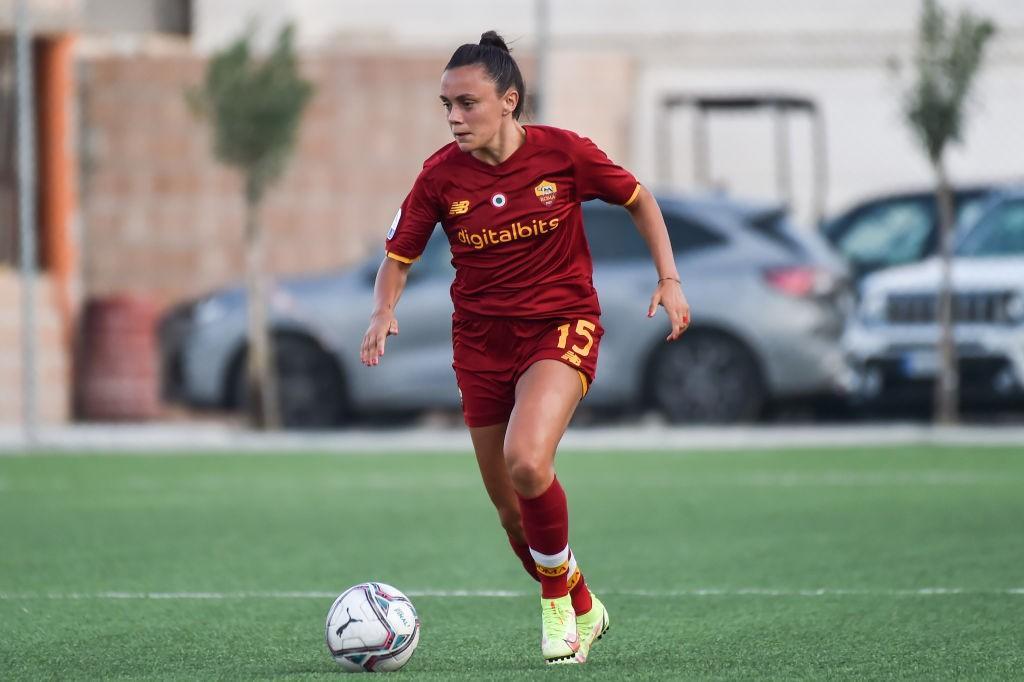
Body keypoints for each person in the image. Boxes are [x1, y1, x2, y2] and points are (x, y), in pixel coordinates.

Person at [360, 30, 691, 665]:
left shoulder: (564, 154)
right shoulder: (439, 177)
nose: (455, 118)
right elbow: (398, 257)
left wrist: (669, 278)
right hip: (482, 345)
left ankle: (556, 609)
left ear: (510, 101)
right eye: (446, 106)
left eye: (468, 103)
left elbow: (639, 200)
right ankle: (585, 602)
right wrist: (383, 310)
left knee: (528, 461)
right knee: (513, 514)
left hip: (561, 327)